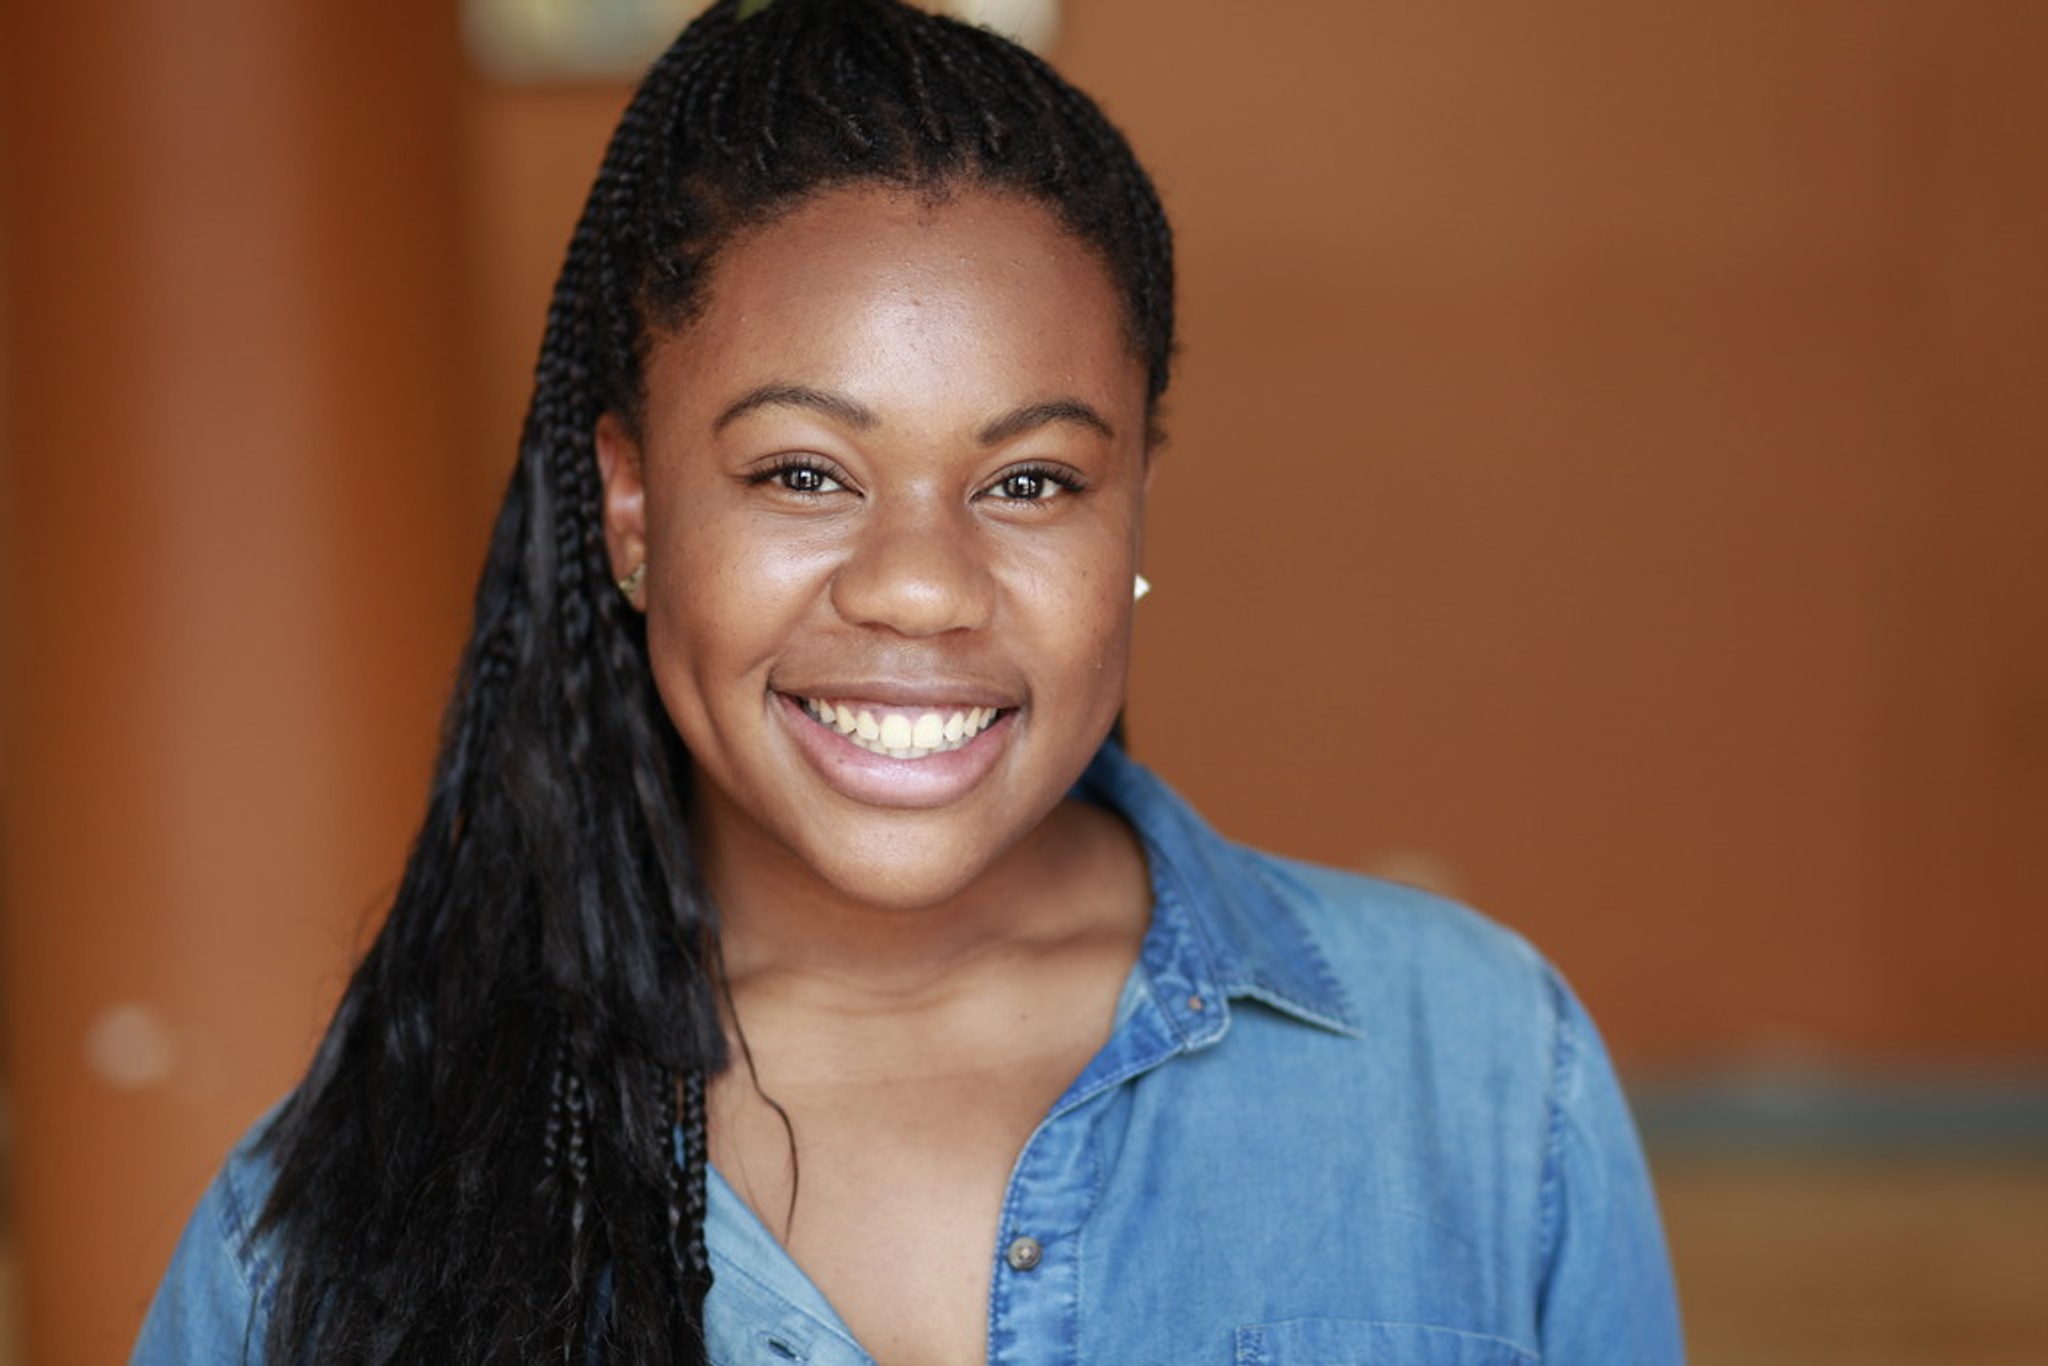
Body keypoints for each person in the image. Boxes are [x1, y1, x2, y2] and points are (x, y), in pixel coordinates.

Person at [134, 1, 1683, 1361]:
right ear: (629, 504)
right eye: (805, 470)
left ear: (1135, 502)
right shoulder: (323, 1230)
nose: (925, 587)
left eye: (1030, 484)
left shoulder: (1478, 1072)